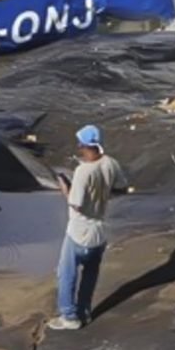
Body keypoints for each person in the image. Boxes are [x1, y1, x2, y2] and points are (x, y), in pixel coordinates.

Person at [47, 125, 128, 331]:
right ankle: (84, 311)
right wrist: (102, 197)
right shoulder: (111, 163)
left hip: (79, 232)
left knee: (67, 274)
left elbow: (76, 204)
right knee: (91, 273)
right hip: (100, 232)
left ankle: (69, 317)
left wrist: (65, 188)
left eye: (80, 143)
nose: (79, 147)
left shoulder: (83, 171)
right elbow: (122, 188)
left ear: (84, 145)